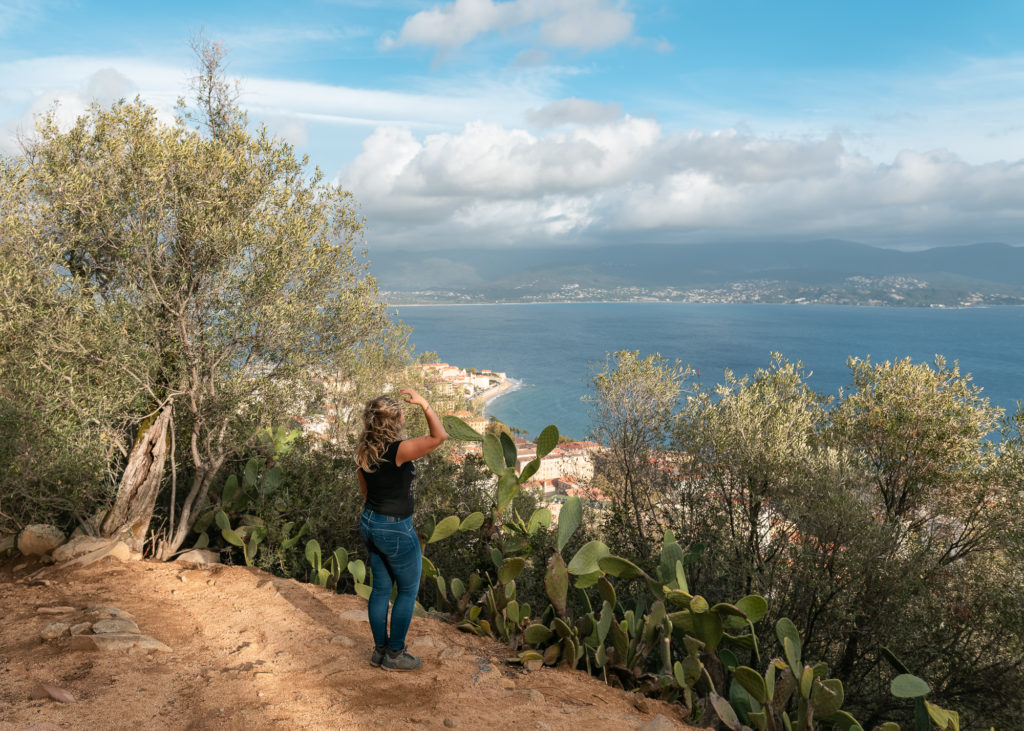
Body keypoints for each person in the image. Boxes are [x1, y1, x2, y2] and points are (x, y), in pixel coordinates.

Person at [355, 387, 447, 671]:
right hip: (394, 527)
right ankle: (395, 655)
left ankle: (379, 651)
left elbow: (365, 492)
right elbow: (439, 437)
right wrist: (425, 404)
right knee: (407, 591)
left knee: (381, 590)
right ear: (393, 421)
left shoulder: (364, 451)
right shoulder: (398, 451)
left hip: (369, 522)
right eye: (402, 413)